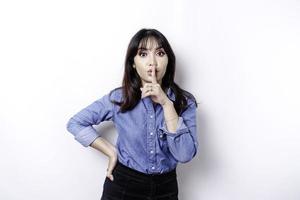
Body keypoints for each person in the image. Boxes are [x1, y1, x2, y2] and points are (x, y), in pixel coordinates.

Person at [66, 28, 199, 200]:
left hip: (166, 189)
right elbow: (75, 123)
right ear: (133, 63)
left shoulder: (184, 102)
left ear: (168, 60)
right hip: (123, 185)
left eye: (159, 53)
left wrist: (166, 104)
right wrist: (111, 152)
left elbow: (185, 155)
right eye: (143, 54)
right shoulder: (118, 98)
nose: (152, 62)